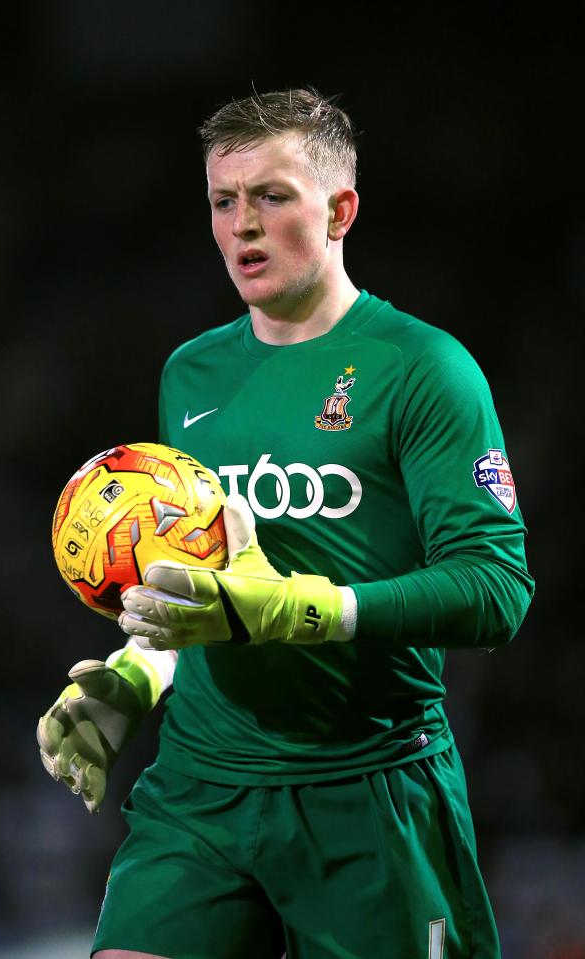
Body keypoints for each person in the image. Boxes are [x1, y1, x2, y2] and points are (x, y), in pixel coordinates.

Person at [38, 88, 535, 959]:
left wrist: (306, 608)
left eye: (271, 196)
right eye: (224, 202)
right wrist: (137, 675)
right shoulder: (191, 373)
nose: (242, 226)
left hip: (368, 788)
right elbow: (203, 585)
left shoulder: (423, 369)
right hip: (203, 789)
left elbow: (496, 588)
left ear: (340, 209)